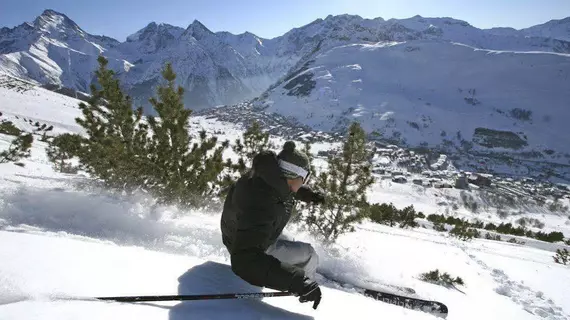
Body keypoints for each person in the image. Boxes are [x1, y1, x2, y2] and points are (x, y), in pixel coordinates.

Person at [220, 141, 326, 309]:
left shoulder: (264, 177)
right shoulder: (263, 204)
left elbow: (285, 189)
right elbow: (244, 260)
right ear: (294, 176)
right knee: (309, 254)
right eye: (304, 178)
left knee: (289, 239)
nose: (304, 182)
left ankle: (294, 272)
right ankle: (309, 286)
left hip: (236, 233)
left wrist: (308, 195)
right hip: (245, 247)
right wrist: (298, 282)